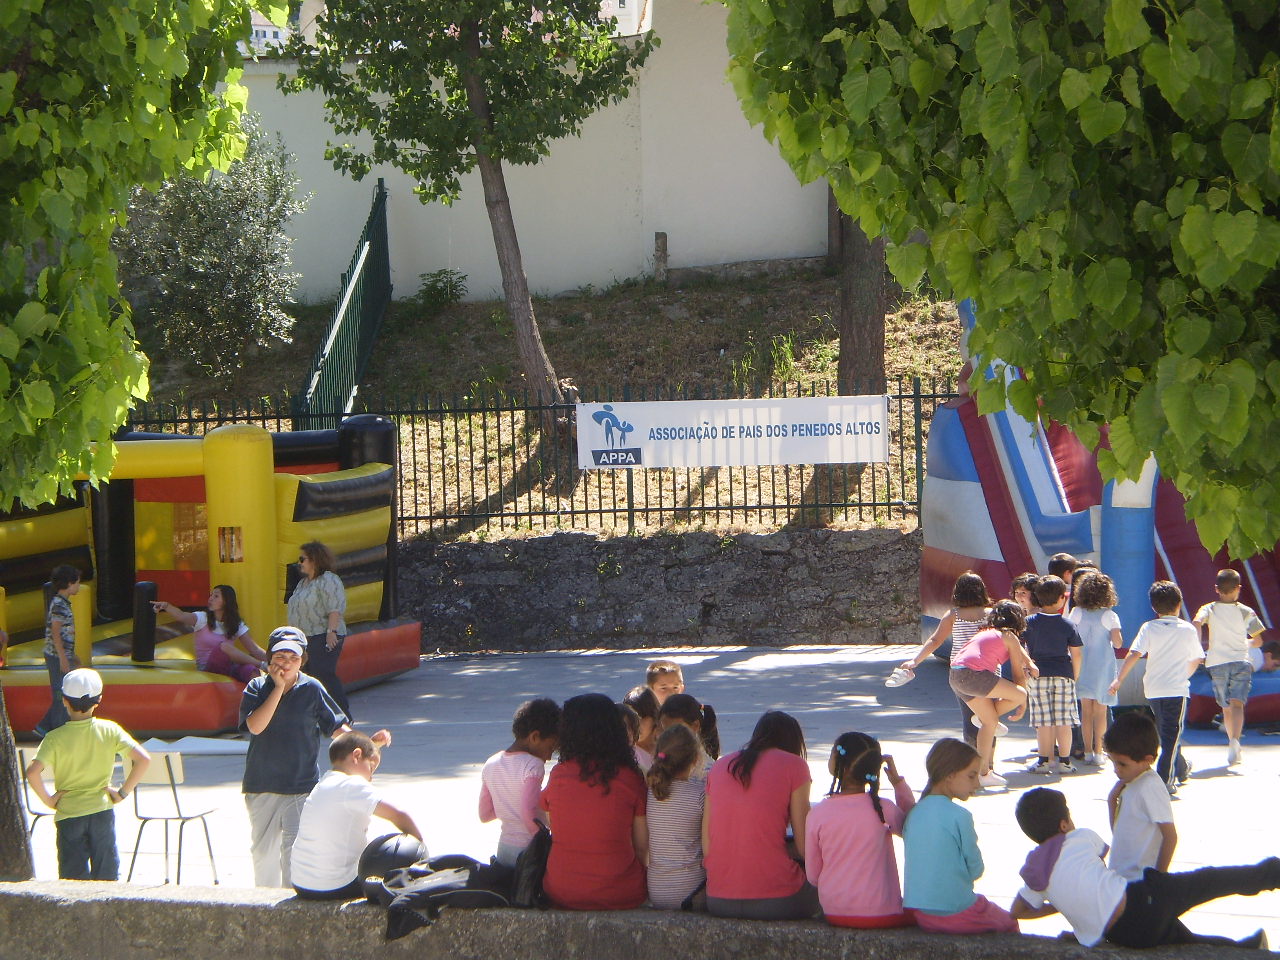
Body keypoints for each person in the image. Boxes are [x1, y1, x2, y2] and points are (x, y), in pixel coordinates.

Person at [1011, 787, 1276, 948]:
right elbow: (1103, 863)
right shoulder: (1080, 837)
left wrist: (1063, 905)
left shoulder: (1034, 871)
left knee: (1187, 942)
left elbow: (1018, 911)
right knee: (1210, 881)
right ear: (1063, 824)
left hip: (1126, 935)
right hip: (1142, 900)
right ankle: (1272, 873)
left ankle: (1249, 948)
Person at [240, 626, 390, 887]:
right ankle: (262, 903)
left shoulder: (312, 688)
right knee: (263, 855)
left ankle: (291, 905)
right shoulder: (256, 687)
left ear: (303, 660)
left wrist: (368, 744)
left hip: (301, 786)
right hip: (262, 785)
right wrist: (278, 688)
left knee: (293, 855)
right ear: (270, 658)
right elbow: (255, 727)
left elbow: (338, 730)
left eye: (293, 657)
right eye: (280, 656)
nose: (286, 663)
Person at [25, 668, 152, 880]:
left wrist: (49, 800)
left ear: (64, 700)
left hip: (68, 813)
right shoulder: (110, 730)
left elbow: (32, 772)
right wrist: (122, 793)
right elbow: (143, 759)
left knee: (72, 879)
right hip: (102, 809)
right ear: (98, 700)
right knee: (107, 875)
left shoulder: (54, 738)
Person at [704, 710, 819, 920]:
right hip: (779, 899)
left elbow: (707, 846)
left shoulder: (719, 766)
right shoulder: (795, 766)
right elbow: (805, 848)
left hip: (718, 898)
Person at [539, 693, 648, 910]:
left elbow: (551, 822)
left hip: (562, 890)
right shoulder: (630, 778)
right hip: (621, 891)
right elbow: (642, 848)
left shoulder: (559, 775)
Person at [903, 738, 1018, 934]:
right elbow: (976, 869)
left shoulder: (915, 812)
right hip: (957, 910)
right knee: (1010, 922)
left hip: (920, 912)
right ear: (950, 775)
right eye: (972, 776)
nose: (977, 784)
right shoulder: (960, 815)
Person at [290, 731, 421, 900]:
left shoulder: (324, 783)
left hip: (301, 884)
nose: (370, 778)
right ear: (356, 756)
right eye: (371, 768)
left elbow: (355, 748)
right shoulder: (352, 784)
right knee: (401, 849)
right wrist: (421, 853)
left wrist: (372, 745)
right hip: (335, 886)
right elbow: (399, 815)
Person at [805, 731, 915, 928]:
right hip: (884, 913)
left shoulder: (818, 813)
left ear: (840, 765)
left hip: (834, 912)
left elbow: (813, 876)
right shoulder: (884, 808)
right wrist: (899, 784)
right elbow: (915, 830)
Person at [1109, 582, 1203, 794]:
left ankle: (1181, 768)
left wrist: (1119, 679)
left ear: (1153, 607)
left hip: (1153, 689)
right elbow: (1197, 658)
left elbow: (1134, 653)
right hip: (1176, 690)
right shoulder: (1187, 629)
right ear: (1179, 604)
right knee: (1171, 734)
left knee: (1166, 731)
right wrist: (1184, 674)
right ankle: (1166, 779)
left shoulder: (1149, 627)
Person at [947, 599, 1036, 788]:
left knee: (990, 722)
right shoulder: (1009, 636)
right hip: (973, 675)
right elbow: (1018, 675)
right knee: (1020, 694)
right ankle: (984, 720)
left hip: (955, 675)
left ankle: (984, 773)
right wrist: (1022, 704)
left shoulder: (985, 631)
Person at [899, 571, 992, 748]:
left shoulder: (953, 615)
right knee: (989, 717)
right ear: (982, 591)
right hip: (989, 672)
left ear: (957, 592)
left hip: (961, 673)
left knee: (969, 716)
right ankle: (988, 759)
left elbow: (935, 640)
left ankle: (972, 756)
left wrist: (915, 661)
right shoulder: (991, 614)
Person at [1193, 569, 1266, 766]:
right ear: (1238, 588)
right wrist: (1246, 643)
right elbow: (1258, 641)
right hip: (1241, 660)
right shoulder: (1246, 611)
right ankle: (1235, 741)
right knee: (1237, 704)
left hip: (1217, 662)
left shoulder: (1209, 608)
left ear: (1216, 588)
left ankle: (1230, 740)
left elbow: (1196, 622)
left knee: (1225, 706)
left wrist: (1198, 646)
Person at [479, 698, 560, 867]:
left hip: (504, 849)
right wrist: (543, 840)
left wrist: (508, 805)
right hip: (529, 851)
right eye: (550, 748)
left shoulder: (491, 763)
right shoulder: (533, 765)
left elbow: (485, 814)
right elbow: (528, 814)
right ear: (535, 737)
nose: (548, 757)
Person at [1101, 712, 1175, 880]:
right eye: (1113, 761)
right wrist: (1112, 801)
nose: (1116, 770)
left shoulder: (1150, 786)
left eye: (1122, 764)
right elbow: (1119, 833)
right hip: (1122, 875)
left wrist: (1158, 878)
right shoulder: (1132, 781)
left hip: (1139, 878)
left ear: (1147, 760)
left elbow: (1170, 836)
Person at [1022, 576, 1084, 775]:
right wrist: (1075, 675)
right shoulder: (1068, 625)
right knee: (1064, 721)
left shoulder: (1029, 622)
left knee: (1043, 722)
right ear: (1061, 599)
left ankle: (1043, 761)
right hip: (1063, 674)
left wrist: (1025, 668)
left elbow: (1020, 648)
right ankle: (1065, 762)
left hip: (1038, 674)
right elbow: (1076, 653)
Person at [645, 724, 707, 910]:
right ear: (695, 759)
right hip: (690, 892)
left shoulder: (651, 792)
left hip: (656, 891)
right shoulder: (699, 794)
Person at [153, 585, 268, 683]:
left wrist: (274, 661)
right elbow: (182, 616)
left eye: (216, 596)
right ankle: (261, 665)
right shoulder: (202, 618)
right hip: (208, 668)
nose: (211, 598)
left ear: (226, 601)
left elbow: (254, 649)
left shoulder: (236, 623)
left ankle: (263, 697)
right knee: (224, 646)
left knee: (250, 669)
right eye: (211, 595)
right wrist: (166, 606)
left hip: (228, 667)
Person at [1067, 571, 1123, 765]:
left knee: (1086, 712)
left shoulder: (1076, 612)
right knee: (1100, 712)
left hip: (1081, 664)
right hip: (1103, 667)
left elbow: (1069, 637)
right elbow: (1118, 643)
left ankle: (1087, 751)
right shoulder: (1110, 615)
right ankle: (1099, 753)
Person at [288, 541, 350, 717]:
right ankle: (316, 717)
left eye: (302, 559)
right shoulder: (303, 583)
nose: (299, 563)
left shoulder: (328, 579)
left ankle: (342, 715)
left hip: (322, 634)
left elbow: (334, 608)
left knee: (323, 674)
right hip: (304, 637)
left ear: (314, 560)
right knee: (306, 677)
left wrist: (331, 633)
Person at [35, 564, 81, 737]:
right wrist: (63, 658)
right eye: (77, 582)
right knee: (60, 694)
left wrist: (71, 656)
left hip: (62, 654)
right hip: (56, 655)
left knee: (62, 693)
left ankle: (44, 728)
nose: (78, 586)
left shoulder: (63, 603)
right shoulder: (59, 604)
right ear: (69, 583)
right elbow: (55, 632)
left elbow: (64, 633)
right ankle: (55, 731)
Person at [657, 692, 720, 766]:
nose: (668, 737)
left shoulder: (705, 767)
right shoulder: (661, 758)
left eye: (676, 731)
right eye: (664, 730)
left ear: (695, 726)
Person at [622, 685, 660, 768]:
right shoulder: (627, 754)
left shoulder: (665, 746)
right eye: (630, 720)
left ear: (654, 717)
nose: (635, 724)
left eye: (640, 718)